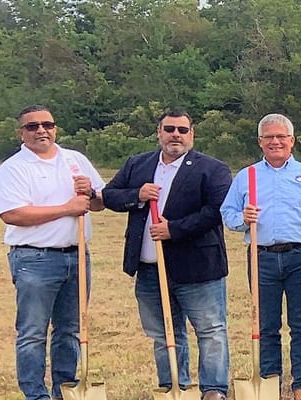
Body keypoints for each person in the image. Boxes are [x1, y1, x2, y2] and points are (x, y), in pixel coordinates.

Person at [101, 109, 234, 400]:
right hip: (149, 268)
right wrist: (137, 194)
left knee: (211, 331)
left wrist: (174, 229)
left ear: (191, 135)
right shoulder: (137, 164)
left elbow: (215, 211)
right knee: (163, 334)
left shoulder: (212, 169)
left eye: (182, 130)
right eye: (170, 129)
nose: (176, 135)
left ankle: (213, 390)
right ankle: (174, 385)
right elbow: (109, 195)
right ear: (159, 132)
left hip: (199, 268)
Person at [0, 105, 106, 400]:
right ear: (21, 133)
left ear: (55, 128)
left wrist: (91, 194)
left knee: (70, 330)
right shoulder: (14, 168)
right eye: (32, 126)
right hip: (35, 260)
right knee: (33, 333)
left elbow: (98, 203)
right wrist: (66, 209)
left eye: (47, 124)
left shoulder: (75, 160)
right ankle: (35, 394)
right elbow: (13, 214)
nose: (41, 130)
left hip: (78, 255)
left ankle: (64, 390)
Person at [219, 114, 301, 400]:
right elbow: (227, 213)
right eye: (269, 137)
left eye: (281, 137)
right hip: (261, 256)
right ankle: (270, 381)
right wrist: (242, 218)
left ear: (292, 140)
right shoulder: (246, 176)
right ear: (260, 142)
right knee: (265, 324)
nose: (275, 142)